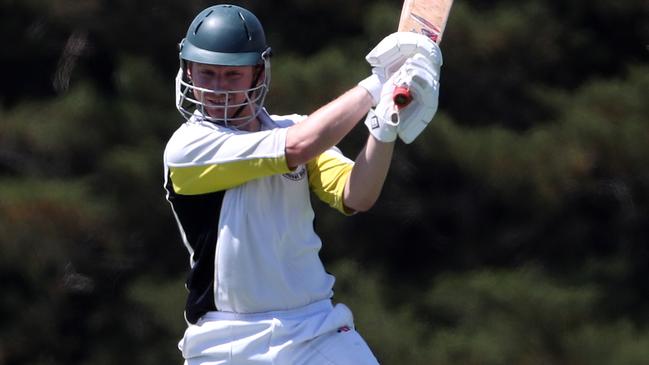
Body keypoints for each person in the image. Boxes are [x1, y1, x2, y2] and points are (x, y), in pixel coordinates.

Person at [163, 4, 442, 365]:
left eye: (232, 75)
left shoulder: (292, 127)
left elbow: (357, 194)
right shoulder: (188, 148)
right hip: (227, 339)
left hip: (314, 326)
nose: (218, 89)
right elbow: (297, 146)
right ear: (188, 71)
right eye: (207, 73)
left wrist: (383, 127)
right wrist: (377, 83)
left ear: (258, 73)